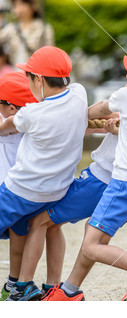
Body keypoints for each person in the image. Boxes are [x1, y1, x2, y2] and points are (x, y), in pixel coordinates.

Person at [42, 45, 127, 302]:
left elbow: (101, 109)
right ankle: (70, 290)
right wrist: (122, 129)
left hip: (125, 183)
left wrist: (73, 118)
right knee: (93, 234)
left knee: (92, 245)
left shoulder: (125, 97)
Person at [0, 46, 88, 300]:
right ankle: (32, 285)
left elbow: (6, 127)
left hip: (20, 190)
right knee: (37, 227)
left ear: (38, 79)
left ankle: (20, 285)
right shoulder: (79, 95)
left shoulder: (32, 114)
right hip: (56, 192)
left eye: (29, 77)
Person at [5, 118, 119, 301]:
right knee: (52, 224)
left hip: (97, 181)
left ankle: (23, 285)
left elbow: (105, 108)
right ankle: (53, 287)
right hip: (104, 179)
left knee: (39, 221)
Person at [0, 71, 37, 301]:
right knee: (18, 237)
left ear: (12, 109)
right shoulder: (34, 121)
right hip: (24, 191)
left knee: (18, 239)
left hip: (7, 192)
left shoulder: (7, 122)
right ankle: (15, 282)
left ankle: (15, 283)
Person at [0, 0, 54, 66]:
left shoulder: (44, 28)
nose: (20, 9)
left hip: (35, 73)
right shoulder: (11, 29)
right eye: (16, 5)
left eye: (23, 4)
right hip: (15, 72)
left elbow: (50, 54)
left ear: (32, 6)